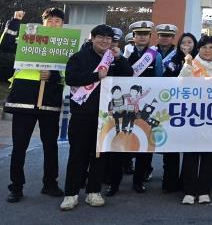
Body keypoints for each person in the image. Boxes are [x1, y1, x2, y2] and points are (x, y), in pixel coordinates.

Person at [60, 24, 133, 210]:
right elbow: (71, 78)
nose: (105, 41)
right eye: (101, 37)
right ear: (92, 38)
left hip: (106, 116)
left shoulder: (113, 58)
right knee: (77, 155)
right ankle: (71, 194)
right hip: (82, 115)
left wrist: (120, 58)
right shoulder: (79, 57)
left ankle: (93, 192)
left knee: (100, 155)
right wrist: (95, 76)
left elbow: (129, 75)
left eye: (108, 38)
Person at [2, 8, 67, 203]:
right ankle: (16, 187)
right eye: (50, 20)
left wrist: (53, 75)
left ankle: (50, 183)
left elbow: (69, 71)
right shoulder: (30, 37)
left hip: (49, 101)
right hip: (24, 98)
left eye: (57, 20)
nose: (53, 24)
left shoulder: (66, 44)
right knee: (19, 146)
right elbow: (6, 45)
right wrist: (15, 22)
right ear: (43, 22)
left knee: (50, 146)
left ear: (62, 24)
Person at [108, 21, 164, 194]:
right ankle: (114, 183)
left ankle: (139, 181)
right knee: (119, 144)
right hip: (123, 106)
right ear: (133, 36)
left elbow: (159, 80)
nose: (142, 37)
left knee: (144, 145)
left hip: (143, 106)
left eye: (145, 34)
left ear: (149, 37)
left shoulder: (155, 56)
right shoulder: (124, 53)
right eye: (139, 34)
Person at [178, 35, 212, 205]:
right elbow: (181, 83)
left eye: (211, 47)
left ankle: (204, 190)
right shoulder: (191, 64)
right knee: (191, 153)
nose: (208, 50)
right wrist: (187, 66)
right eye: (204, 47)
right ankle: (189, 190)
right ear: (198, 49)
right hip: (193, 114)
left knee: (209, 154)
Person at [160, 32, 198, 194]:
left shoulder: (200, 62)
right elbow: (165, 81)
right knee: (171, 147)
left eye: (190, 42)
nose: (186, 45)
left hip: (194, 110)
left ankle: (186, 182)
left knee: (190, 148)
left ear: (195, 45)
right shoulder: (172, 61)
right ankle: (169, 182)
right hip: (174, 109)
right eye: (183, 43)